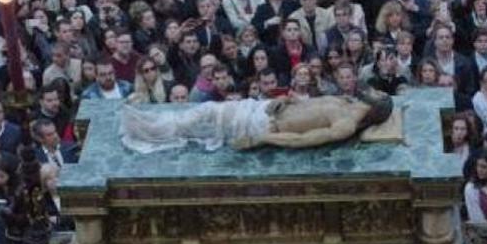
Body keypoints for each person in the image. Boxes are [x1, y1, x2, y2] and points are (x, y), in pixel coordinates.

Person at [122, 92, 392, 153]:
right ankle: (155, 124)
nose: (373, 91)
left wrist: (261, 139)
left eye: (377, 94)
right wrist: (285, 100)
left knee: (205, 113)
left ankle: (150, 130)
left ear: (376, 107)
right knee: (206, 110)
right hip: (265, 108)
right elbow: (304, 103)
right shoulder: (346, 100)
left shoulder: (345, 125)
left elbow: (302, 140)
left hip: (264, 127)